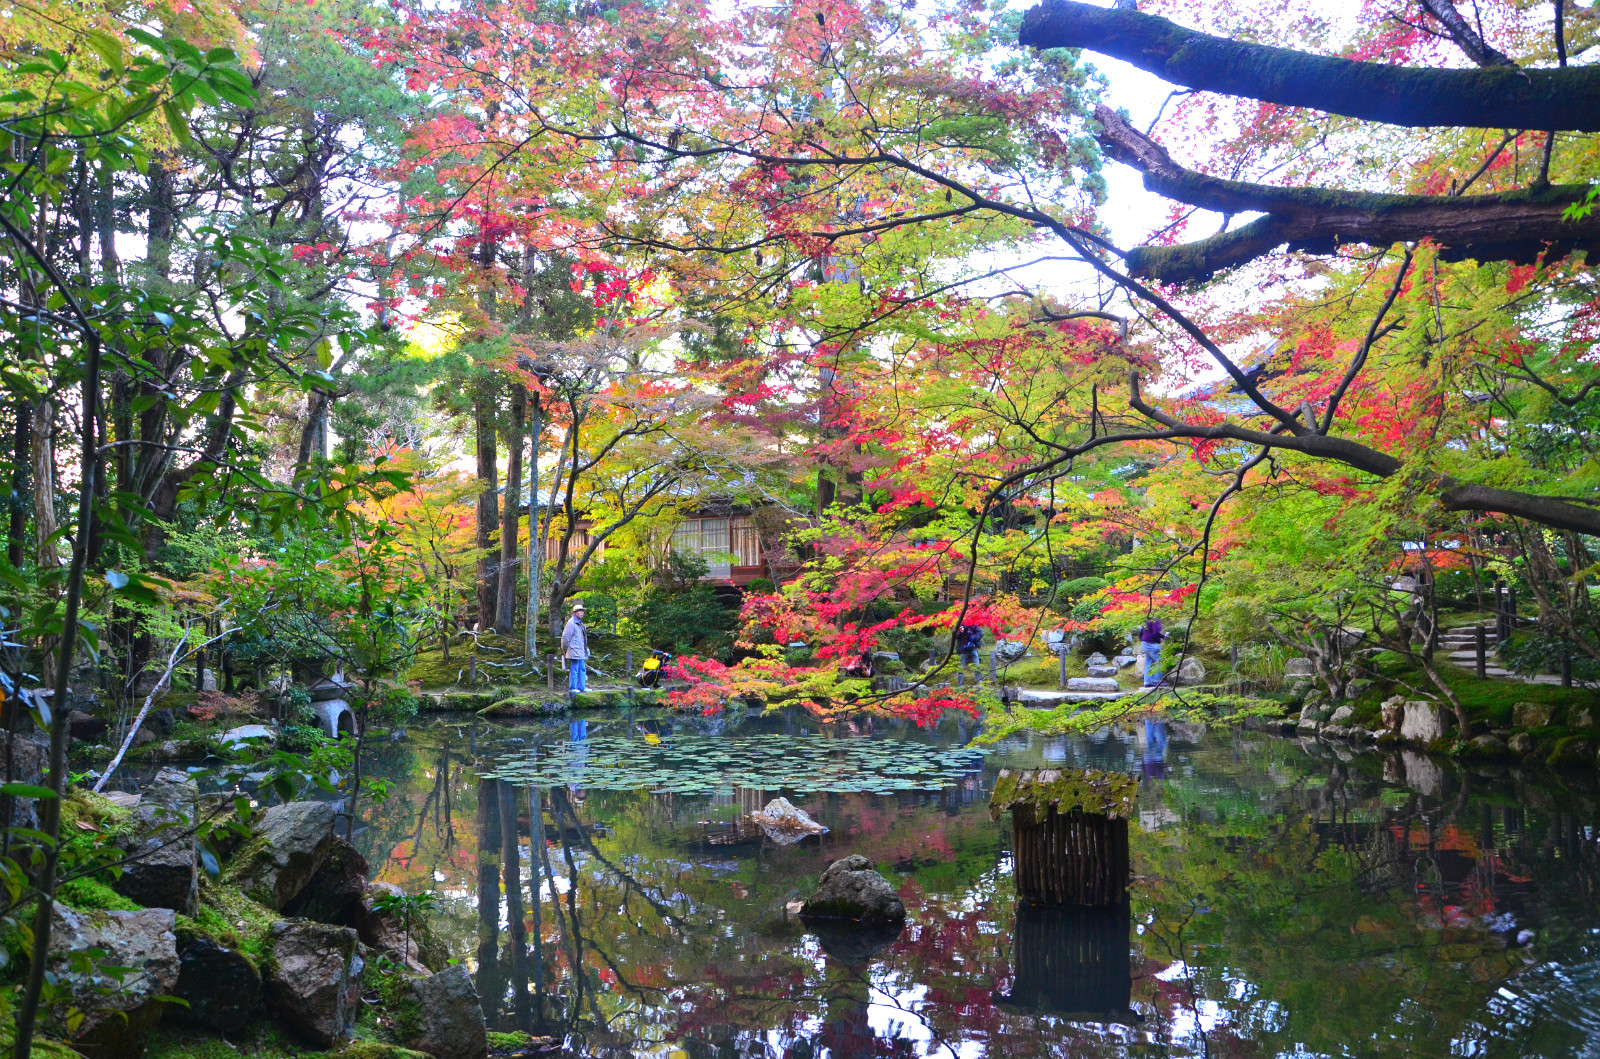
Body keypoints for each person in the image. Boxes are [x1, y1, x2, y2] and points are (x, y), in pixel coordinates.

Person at [562, 602, 589, 695]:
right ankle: (573, 688)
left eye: (582, 611)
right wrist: (565, 650)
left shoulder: (580, 623)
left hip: (580, 651)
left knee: (582, 669)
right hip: (573, 650)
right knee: (574, 669)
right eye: (579, 611)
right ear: (574, 613)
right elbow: (565, 638)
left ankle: (582, 687)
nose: (582, 613)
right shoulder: (571, 623)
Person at [1139, 617, 1166, 687]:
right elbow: (1156, 632)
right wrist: (1164, 636)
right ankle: (1157, 681)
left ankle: (1147, 682)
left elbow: (1141, 632)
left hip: (1144, 643)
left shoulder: (1146, 619)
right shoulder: (1156, 619)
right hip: (1152, 644)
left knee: (1148, 662)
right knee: (1159, 661)